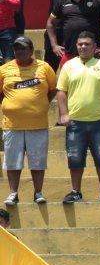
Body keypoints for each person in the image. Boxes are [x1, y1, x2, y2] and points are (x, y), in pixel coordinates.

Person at [55, 30, 100, 205]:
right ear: (76, 46)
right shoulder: (68, 66)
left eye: (87, 44)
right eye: (80, 44)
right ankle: (76, 192)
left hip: (99, 121)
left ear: (95, 47)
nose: (83, 47)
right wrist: (64, 114)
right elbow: (61, 91)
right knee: (75, 159)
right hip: (75, 122)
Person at [0, 35, 57, 207]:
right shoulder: (4, 69)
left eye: (24, 48)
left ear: (32, 50)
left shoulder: (44, 67)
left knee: (37, 160)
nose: (20, 51)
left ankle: (38, 192)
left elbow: (52, 90)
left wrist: (39, 104)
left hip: (37, 123)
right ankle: (13, 193)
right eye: (17, 48)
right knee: (12, 160)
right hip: (12, 124)